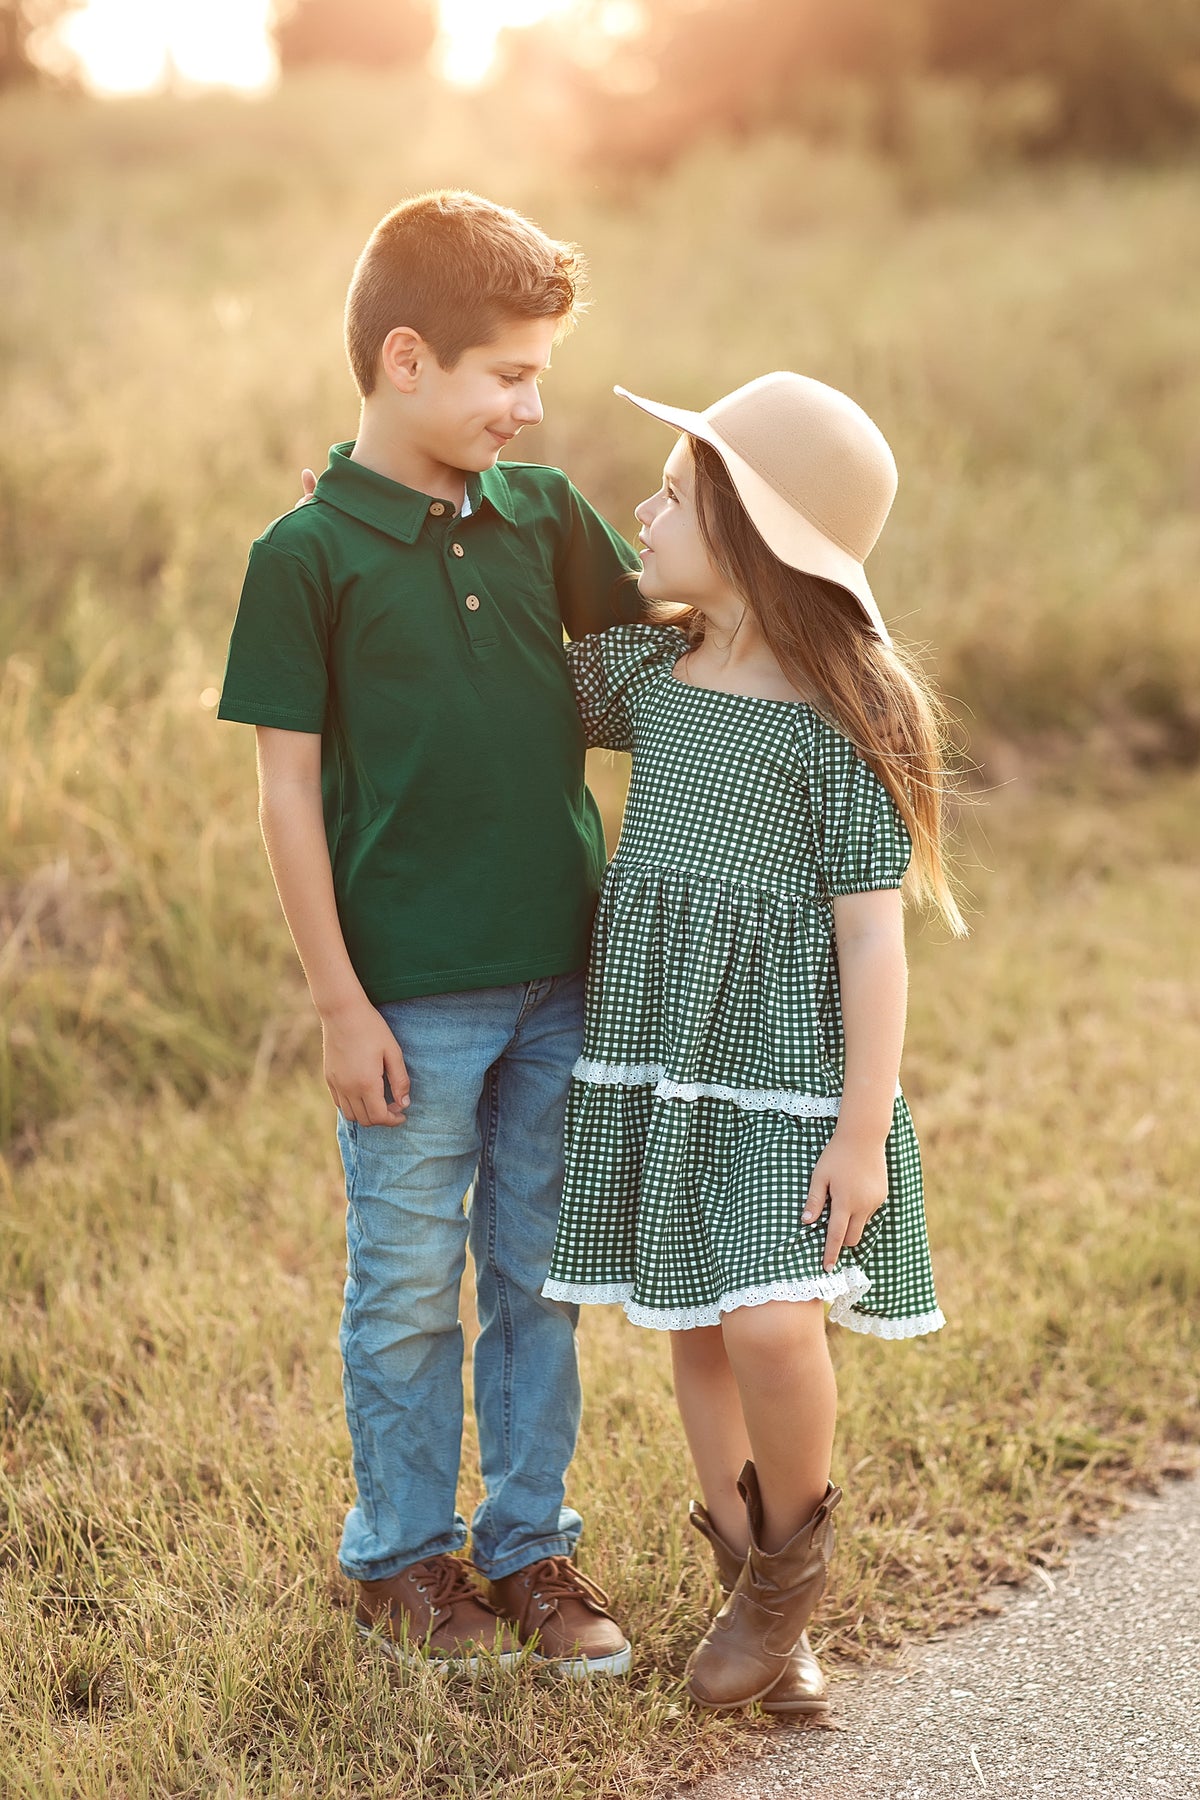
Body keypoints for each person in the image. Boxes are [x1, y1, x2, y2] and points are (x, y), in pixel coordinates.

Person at [217, 190, 641, 1677]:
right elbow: (282, 798)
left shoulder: (543, 518)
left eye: (539, 374)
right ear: (408, 359)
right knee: (406, 1287)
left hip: (563, 983)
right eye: (509, 375)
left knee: (538, 1275)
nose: (534, 406)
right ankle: (399, 1561)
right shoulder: (305, 554)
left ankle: (530, 1550)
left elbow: (667, 658)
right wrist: (339, 1001)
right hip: (409, 1002)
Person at [542, 371, 966, 1713]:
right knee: (699, 1325)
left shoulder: (853, 712)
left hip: (784, 1073)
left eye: (672, 494)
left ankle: (788, 1588)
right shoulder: (645, 672)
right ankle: (750, 1589)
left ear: (750, 529)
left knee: (776, 1327)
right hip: (666, 1058)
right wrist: (377, 504)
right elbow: (486, 648)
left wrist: (861, 1131)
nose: (643, 512)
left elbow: (871, 937)